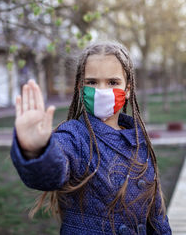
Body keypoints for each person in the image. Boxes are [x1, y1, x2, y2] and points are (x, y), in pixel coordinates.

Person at [10, 41, 172, 235]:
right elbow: (51, 174)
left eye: (112, 82)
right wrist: (36, 150)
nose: (102, 91)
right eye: (92, 82)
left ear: (127, 89)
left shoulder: (138, 140)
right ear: (80, 87)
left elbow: (156, 215)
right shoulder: (74, 136)